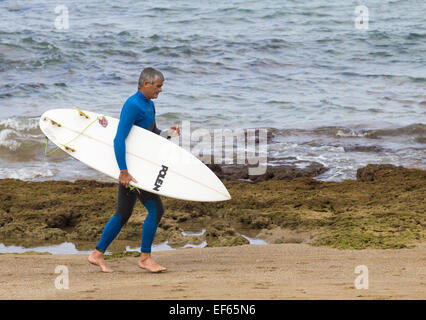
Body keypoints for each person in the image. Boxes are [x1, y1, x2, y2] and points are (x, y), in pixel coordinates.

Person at [88, 67, 180, 273]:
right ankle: (145, 258)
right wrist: (123, 171)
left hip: (137, 167)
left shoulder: (149, 105)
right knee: (156, 210)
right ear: (146, 84)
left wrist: (168, 133)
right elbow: (119, 138)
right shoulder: (132, 105)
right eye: (158, 86)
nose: (161, 90)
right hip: (133, 171)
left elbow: (151, 133)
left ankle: (97, 254)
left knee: (123, 213)